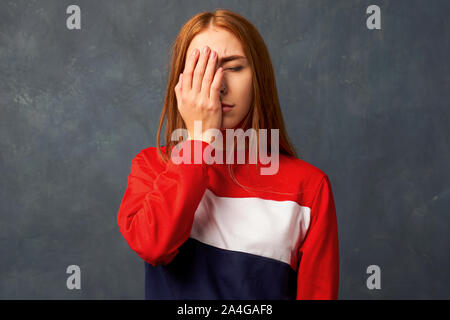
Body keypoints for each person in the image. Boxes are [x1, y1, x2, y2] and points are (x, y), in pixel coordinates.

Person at [116, 9, 339, 300]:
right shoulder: (152, 166)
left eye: (233, 68)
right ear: (180, 84)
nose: (218, 86)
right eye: (202, 71)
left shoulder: (309, 188)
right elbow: (154, 245)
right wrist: (197, 140)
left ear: (257, 77)